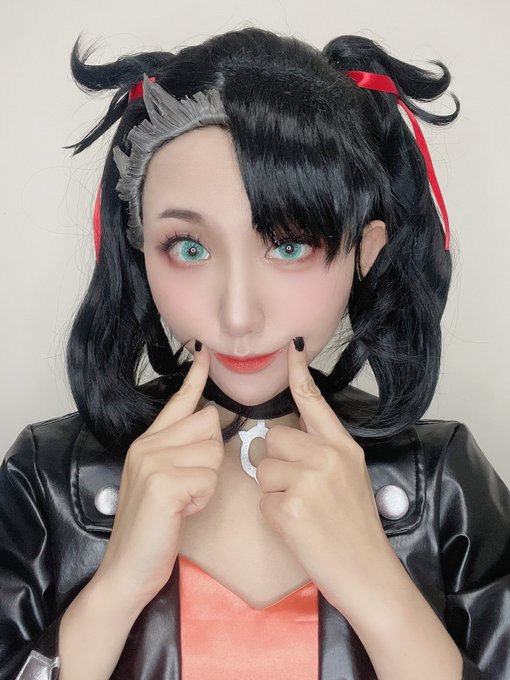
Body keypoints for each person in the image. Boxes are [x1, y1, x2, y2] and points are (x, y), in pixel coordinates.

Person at [0, 26, 508, 680]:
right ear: (140, 249)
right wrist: (115, 588)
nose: (238, 315)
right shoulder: (46, 482)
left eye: (289, 246)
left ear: (367, 250)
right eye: (189, 248)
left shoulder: (442, 486)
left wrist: (379, 590)